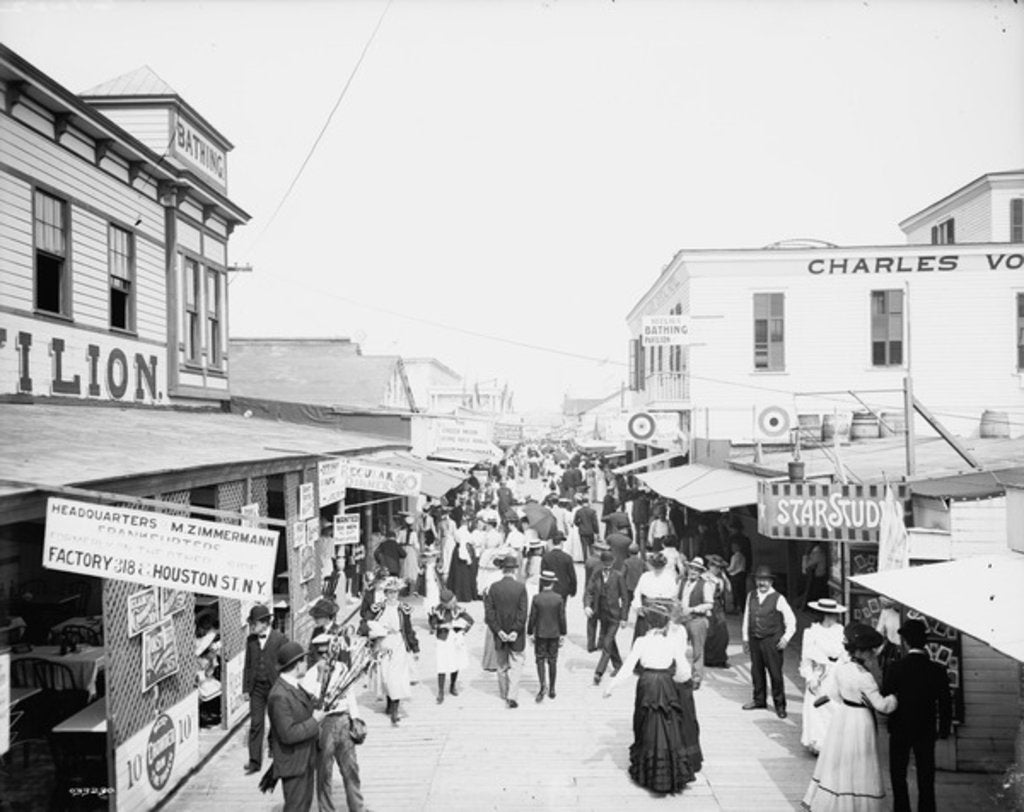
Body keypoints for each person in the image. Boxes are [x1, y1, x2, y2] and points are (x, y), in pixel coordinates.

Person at [801, 623, 898, 812]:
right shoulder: (865, 677)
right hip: (861, 721)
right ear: (862, 652)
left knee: (841, 760)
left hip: (843, 717)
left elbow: (834, 694)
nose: (872, 655)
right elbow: (882, 706)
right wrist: (895, 698)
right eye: (869, 651)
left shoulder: (842, 668)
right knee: (860, 760)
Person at [601, 603, 696, 795]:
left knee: (645, 723)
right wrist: (680, 682)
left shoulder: (641, 642)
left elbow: (627, 667)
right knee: (669, 724)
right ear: (666, 623)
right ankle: (671, 772)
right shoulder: (671, 642)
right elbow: (684, 670)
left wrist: (611, 686)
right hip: (666, 683)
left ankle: (647, 772)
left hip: (647, 684)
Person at [881, 618, 952, 812]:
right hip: (926, 727)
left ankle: (901, 809)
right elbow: (945, 702)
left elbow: (885, 693)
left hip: (900, 727)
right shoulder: (937, 669)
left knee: (898, 774)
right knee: (926, 775)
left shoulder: (896, 667)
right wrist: (944, 729)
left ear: (905, 642)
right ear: (925, 642)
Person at [302, 632, 365, 812]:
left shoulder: (342, 669)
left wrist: (355, 718)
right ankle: (326, 809)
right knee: (324, 772)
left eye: (327, 653)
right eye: (320, 654)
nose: (324, 657)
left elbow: (350, 694)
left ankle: (357, 807)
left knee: (351, 769)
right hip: (325, 723)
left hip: (343, 720)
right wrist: (320, 678)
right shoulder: (311, 675)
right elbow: (312, 701)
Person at [266, 641, 324, 812]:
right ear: (297, 665)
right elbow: (288, 734)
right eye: (304, 661)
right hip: (293, 764)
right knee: (296, 808)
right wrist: (315, 721)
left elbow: (306, 707)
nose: (307, 664)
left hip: (305, 759)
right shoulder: (279, 695)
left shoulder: (294, 686)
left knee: (304, 806)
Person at [361, 576, 418, 725]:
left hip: (398, 642)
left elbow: (408, 629)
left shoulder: (403, 609)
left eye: (395, 592)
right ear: (385, 593)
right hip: (383, 643)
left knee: (396, 677)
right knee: (385, 676)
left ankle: (395, 710)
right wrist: (372, 632)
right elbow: (366, 622)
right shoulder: (378, 608)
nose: (393, 595)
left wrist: (414, 647)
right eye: (390, 592)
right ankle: (389, 703)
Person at [742, 565, 796, 718]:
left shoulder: (779, 598)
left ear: (771, 582)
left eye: (765, 580)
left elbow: (791, 621)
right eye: (759, 579)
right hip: (754, 639)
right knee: (756, 672)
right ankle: (759, 700)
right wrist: (745, 639)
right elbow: (747, 617)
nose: (762, 583)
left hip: (771, 641)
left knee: (775, 674)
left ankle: (780, 705)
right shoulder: (751, 596)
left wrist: (786, 638)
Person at [243, 604, 288, 775]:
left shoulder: (280, 639)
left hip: (274, 686)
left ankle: (276, 754)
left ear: (264, 623)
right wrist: (246, 688)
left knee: (276, 721)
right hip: (257, 688)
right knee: (256, 724)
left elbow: (286, 664)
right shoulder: (251, 640)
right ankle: (254, 761)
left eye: (254, 623)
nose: (252, 627)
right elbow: (247, 665)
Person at [799, 598, 847, 755]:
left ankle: (834, 744)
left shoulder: (840, 631)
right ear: (824, 615)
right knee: (818, 711)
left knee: (836, 710)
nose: (834, 617)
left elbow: (845, 655)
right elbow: (806, 660)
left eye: (835, 614)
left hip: (837, 674)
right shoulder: (811, 633)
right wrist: (810, 677)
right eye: (831, 614)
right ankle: (819, 744)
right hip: (819, 674)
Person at [484, 553, 529, 708]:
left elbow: (489, 613)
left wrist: (498, 631)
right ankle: (512, 695)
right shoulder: (521, 588)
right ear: (514, 570)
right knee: (516, 664)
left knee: (502, 665)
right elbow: (523, 612)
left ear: (502, 570)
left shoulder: (494, 588)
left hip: (500, 633)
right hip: (517, 634)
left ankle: (504, 693)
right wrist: (515, 630)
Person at [585, 550, 628, 685]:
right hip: (602, 614)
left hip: (614, 615)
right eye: (605, 564)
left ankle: (599, 673)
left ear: (613, 563)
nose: (607, 567)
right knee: (609, 641)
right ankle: (619, 665)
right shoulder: (596, 574)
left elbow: (625, 598)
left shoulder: (618, 576)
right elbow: (589, 591)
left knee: (606, 643)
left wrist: (624, 617)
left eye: (609, 564)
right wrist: (587, 606)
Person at [427, 588, 474, 704]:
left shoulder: (458, 609)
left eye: (453, 601)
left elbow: (470, 621)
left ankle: (452, 685)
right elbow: (432, 625)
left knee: (455, 663)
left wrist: (459, 628)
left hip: (455, 639)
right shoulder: (437, 611)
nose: (453, 605)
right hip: (442, 639)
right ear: (443, 603)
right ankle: (441, 691)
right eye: (450, 603)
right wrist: (442, 626)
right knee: (441, 665)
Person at [527, 569, 566, 702]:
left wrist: (530, 632)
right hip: (554, 632)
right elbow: (562, 617)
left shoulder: (537, 598)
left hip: (541, 633)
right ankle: (552, 688)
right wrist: (563, 633)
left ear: (542, 582)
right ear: (553, 584)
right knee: (553, 660)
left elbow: (532, 617)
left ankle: (543, 685)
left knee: (540, 659)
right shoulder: (558, 598)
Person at [678, 557, 714, 688]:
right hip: (682, 619)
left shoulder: (705, 585)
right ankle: (680, 675)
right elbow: (677, 598)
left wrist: (693, 609)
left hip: (697, 619)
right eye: (692, 568)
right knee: (679, 648)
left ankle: (696, 678)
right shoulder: (682, 582)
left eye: (697, 570)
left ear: (700, 572)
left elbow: (709, 604)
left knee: (697, 650)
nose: (693, 571)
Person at [630, 551, 678, 642]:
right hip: (646, 609)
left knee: (661, 637)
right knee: (643, 636)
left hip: (662, 610)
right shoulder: (645, 576)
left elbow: (673, 595)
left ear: (664, 566)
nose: (657, 569)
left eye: (660, 566)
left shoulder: (669, 578)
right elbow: (637, 592)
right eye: (655, 566)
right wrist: (638, 606)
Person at [446, 515, 478, 602]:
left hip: (457, 552)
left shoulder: (457, 531)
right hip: (464, 552)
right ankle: (465, 595)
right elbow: (466, 544)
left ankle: (457, 593)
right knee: (465, 574)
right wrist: (468, 558)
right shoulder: (466, 533)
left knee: (457, 573)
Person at [539, 531, 577, 605]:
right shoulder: (567, 558)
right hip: (563, 590)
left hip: (549, 589)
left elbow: (542, 575)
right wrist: (573, 590)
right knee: (561, 611)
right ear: (561, 543)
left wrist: (540, 591)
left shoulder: (546, 557)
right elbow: (572, 576)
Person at [801, 541, 828, 609]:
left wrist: (805, 556)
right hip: (818, 574)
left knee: (815, 593)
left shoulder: (817, 551)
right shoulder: (817, 551)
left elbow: (809, 565)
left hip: (818, 575)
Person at [573, 496, 601, 561]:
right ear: (588, 503)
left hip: (582, 531)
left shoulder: (579, 511)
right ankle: (592, 560)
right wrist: (597, 532)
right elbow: (595, 523)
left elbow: (575, 521)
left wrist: (579, 525)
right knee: (591, 546)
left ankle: (585, 561)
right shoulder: (592, 511)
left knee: (584, 547)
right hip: (590, 531)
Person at [725, 539, 748, 614]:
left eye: (734, 547)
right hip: (742, 575)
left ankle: (735, 608)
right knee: (742, 593)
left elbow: (732, 568)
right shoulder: (743, 556)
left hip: (735, 576)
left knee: (735, 593)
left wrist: (725, 569)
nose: (732, 548)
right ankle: (743, 609)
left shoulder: (734, 557)